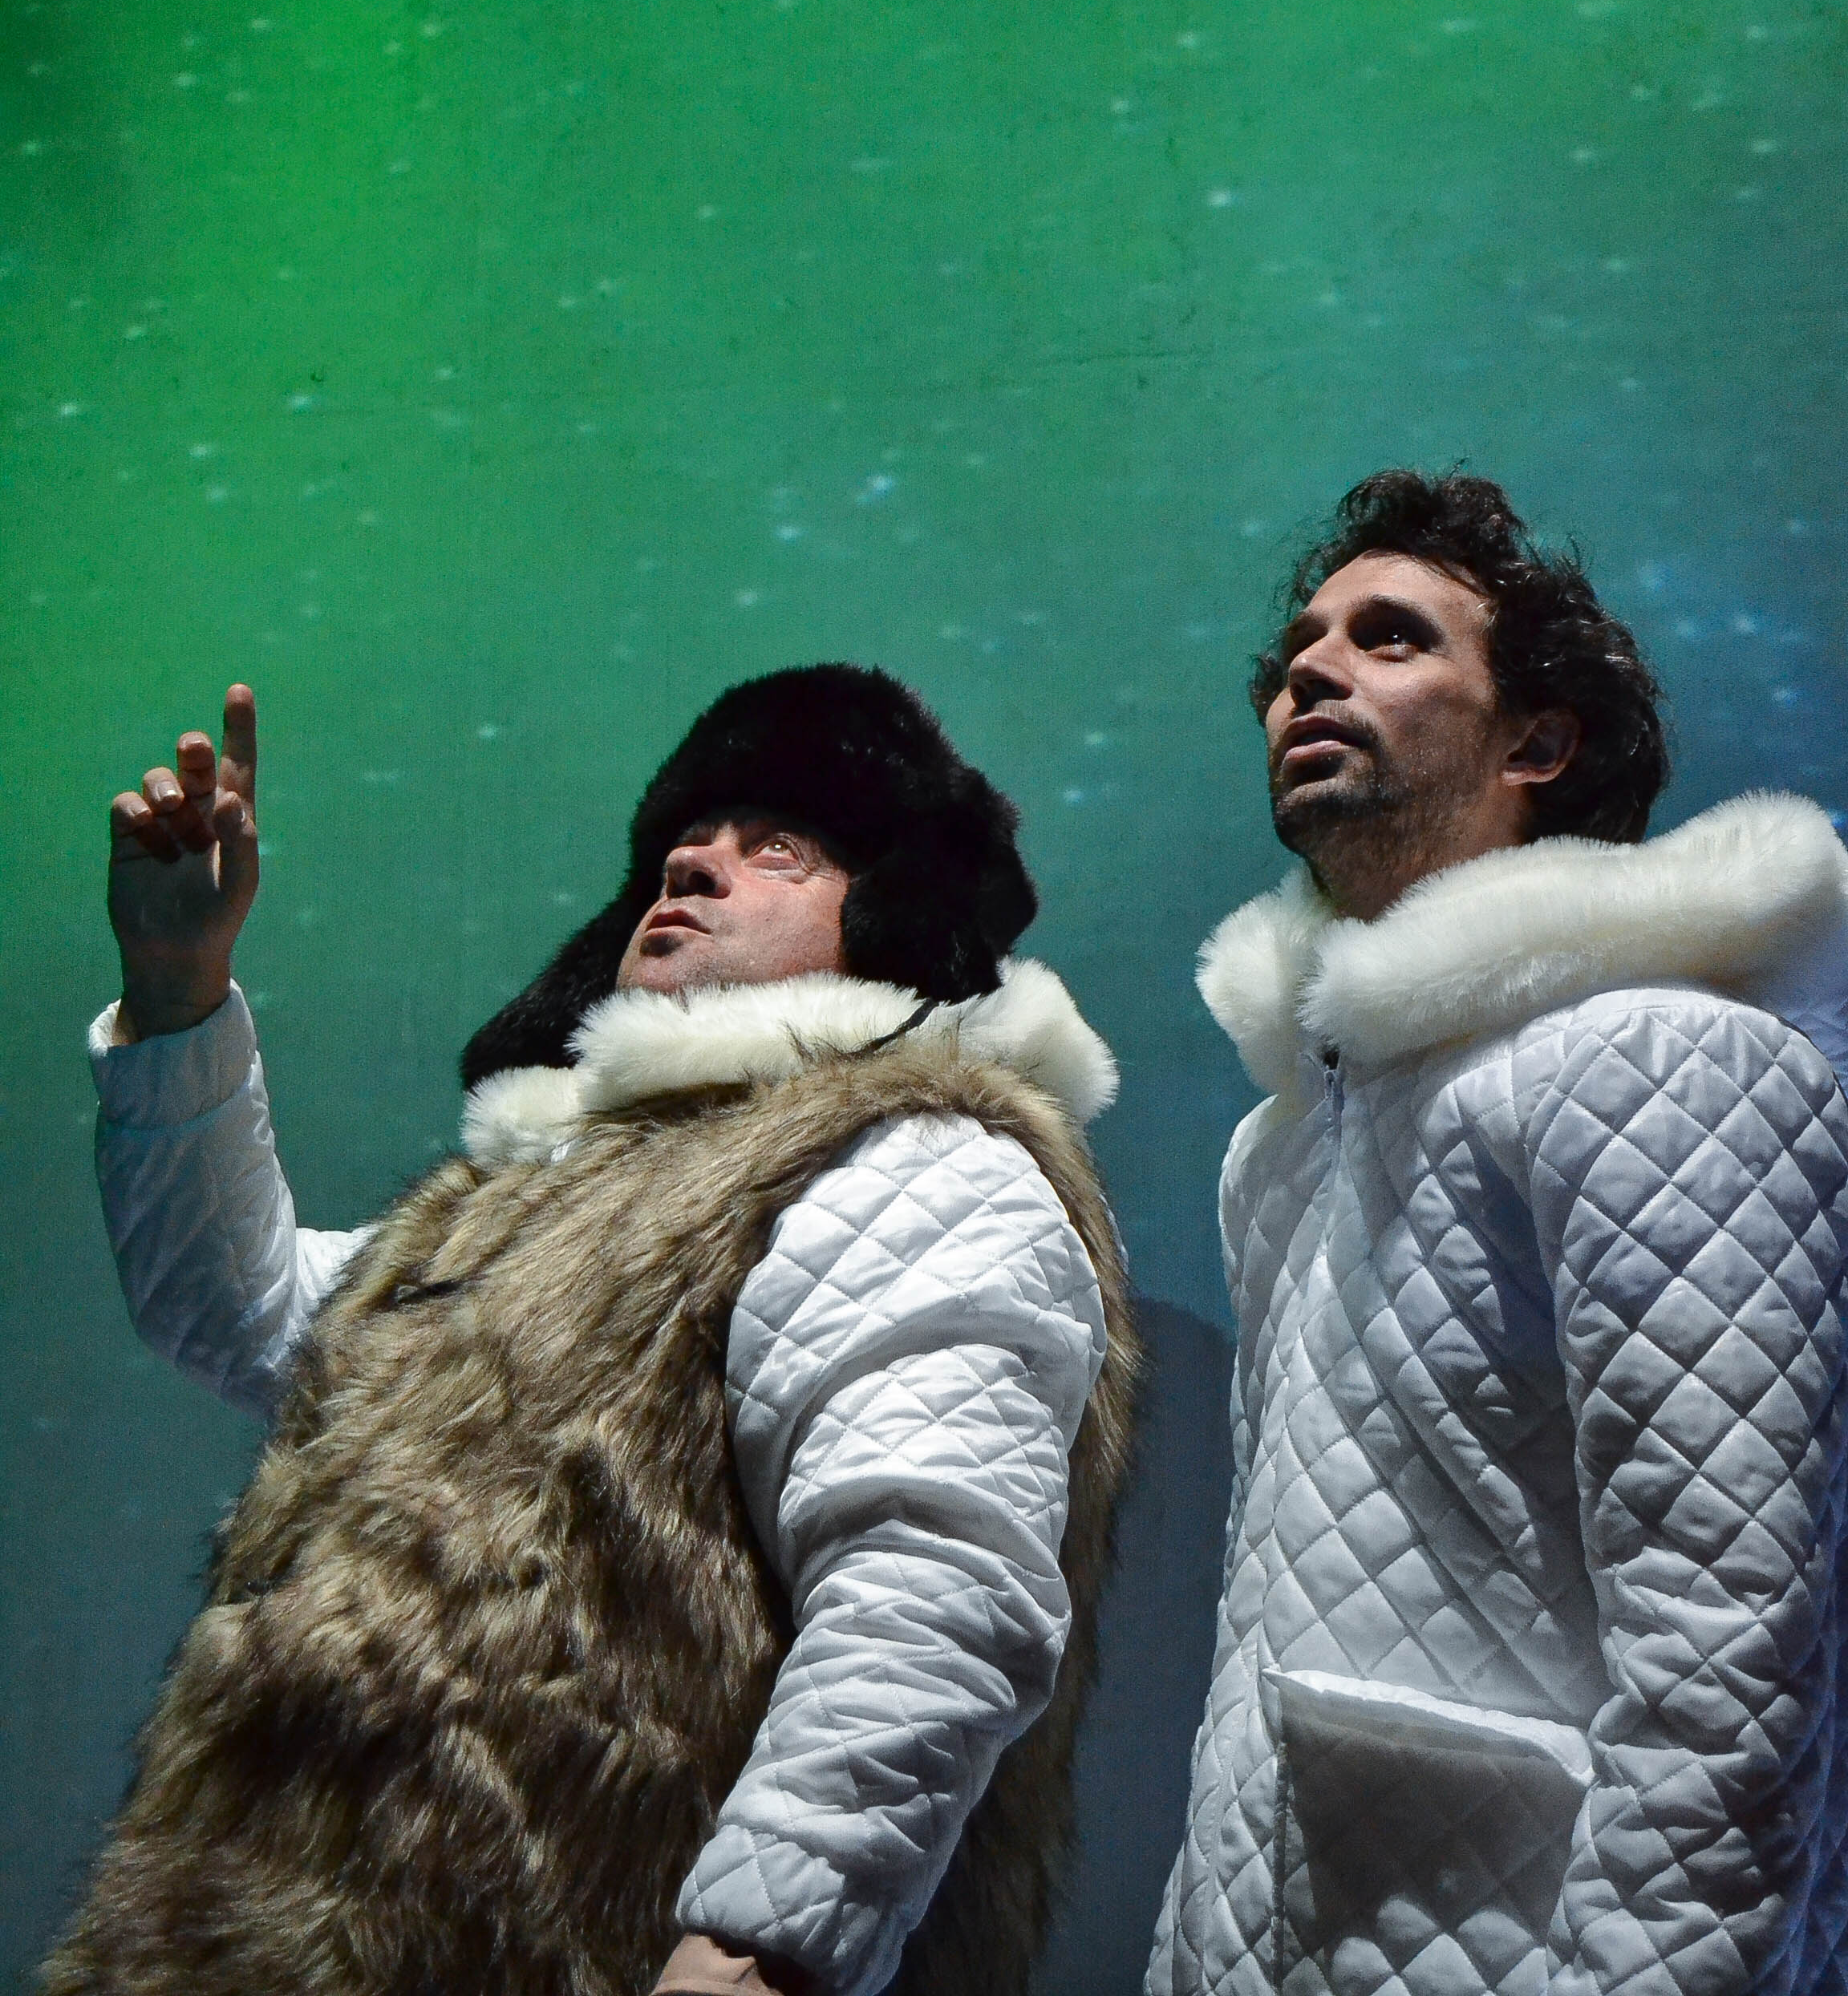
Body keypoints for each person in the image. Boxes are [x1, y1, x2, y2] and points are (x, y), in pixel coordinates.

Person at [46, 664, 1138, 1996]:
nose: (693, 860)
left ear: (895, 922)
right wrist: (177, 986)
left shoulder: (913, 1165)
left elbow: (929, 1590)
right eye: (689, 838)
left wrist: (754, 1957)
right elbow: (242, 1307)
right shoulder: (540, 1192)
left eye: (778, 848)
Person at [1149, 470, 1848, 1996]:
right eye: (1298, 651)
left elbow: (1732, 1657)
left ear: (1538, 742)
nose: (1311, 673)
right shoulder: (1280, 1146)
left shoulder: (1666, 1059)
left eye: (1391, 638)